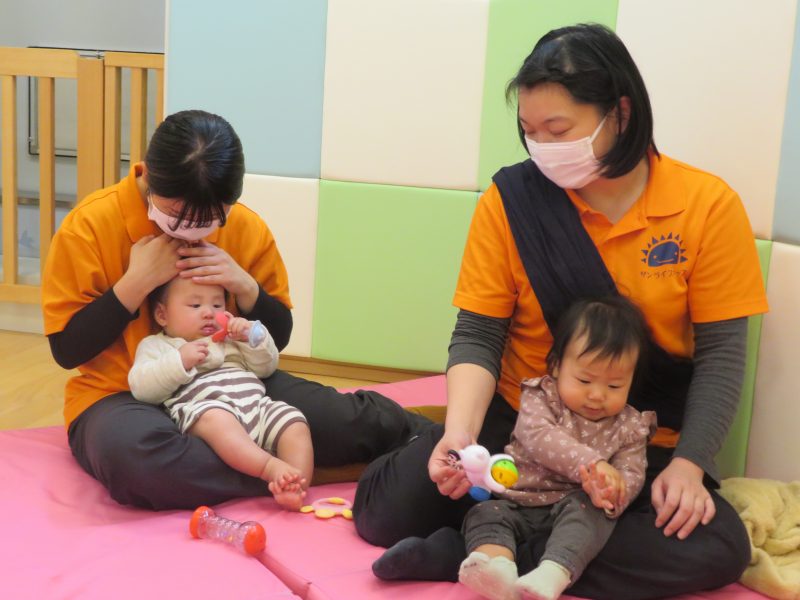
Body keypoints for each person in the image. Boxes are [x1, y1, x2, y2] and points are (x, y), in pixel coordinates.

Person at [355, 23, 768, 599]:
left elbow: (723, 357)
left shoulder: (707, 206)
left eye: (559, 129)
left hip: (631, 438)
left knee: (719, 548)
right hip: (524, 420)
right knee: (383, 514)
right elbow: (478, 332)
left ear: (619, 114)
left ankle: (475, 547)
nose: (543, 146)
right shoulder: (511, 200)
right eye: (529, 132)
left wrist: (691, 465)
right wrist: (459, 435)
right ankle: (524, 538)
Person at [42, 109, 430, 510]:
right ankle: (300, 472)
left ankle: (434, 441)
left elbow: (279, 335)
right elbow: (67, 350)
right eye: (177, 216)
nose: (190, 229)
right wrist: (135, 283)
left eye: (209, 220)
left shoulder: (244, 226)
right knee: (137, 462)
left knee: (348, 422)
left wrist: (244, 285)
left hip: (232, 379)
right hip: (120, 396)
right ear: (149, 181)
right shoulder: (87, 226)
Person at [457, 297, 656, 600]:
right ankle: (496, 570)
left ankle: (553, 572)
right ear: (557, 366)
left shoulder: (630, 426)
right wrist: (593, 463)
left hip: (575, 507)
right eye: (585, 379)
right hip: (517, 501)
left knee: (595, 516)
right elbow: (538, 437)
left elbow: (632, 472)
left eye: (614, 386)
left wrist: (612, 489)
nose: (597, 395)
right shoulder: (542, 397)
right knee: (485, 513)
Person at [129, 276, 313, 510]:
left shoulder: (230, 339)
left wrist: (252, 338)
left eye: (217, 305)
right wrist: (180, 361)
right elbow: (141, 388)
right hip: (207, 411)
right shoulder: (158, 345)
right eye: (195, 306)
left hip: (256, 407)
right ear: (162, 315)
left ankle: (295, 485)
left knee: (294, 421)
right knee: (216, 419)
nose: (208, 313)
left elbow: (266, 367)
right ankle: (270, 468)